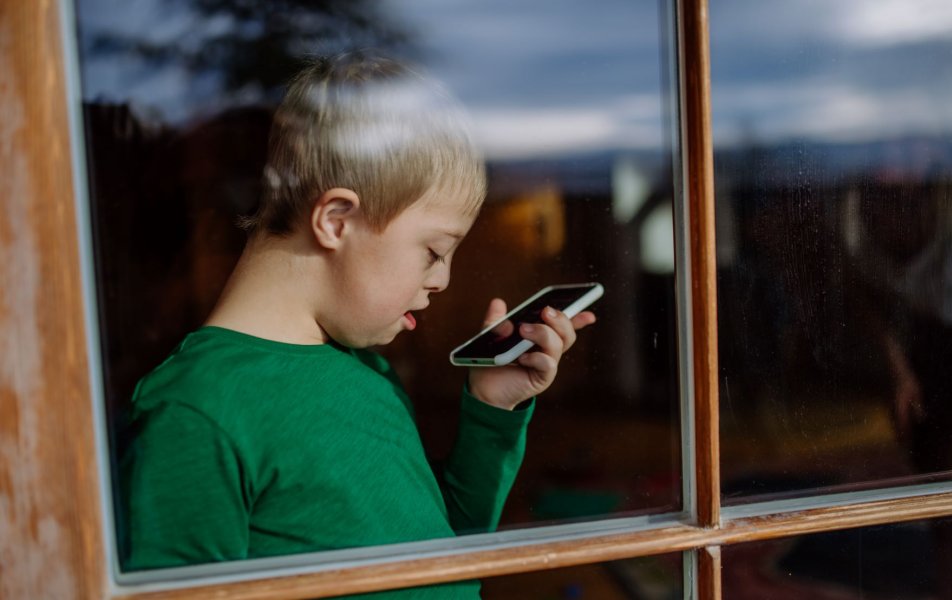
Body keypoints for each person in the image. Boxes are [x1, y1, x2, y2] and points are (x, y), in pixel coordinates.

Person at [118, 52, 596, 597]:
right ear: (335, 220)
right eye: (434, 251)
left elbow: (441, 559)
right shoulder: (195, 410)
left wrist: (492, 409)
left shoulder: (367, 370)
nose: (442, 280)